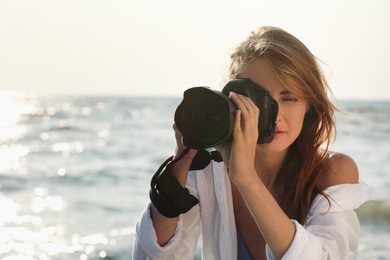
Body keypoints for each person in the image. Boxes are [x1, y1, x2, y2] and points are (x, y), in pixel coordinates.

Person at [132, 26, 379, 259]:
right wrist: (177, 172)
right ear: (233, 99)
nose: (275, 115)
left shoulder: (331, 171)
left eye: (289, 98)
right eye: (260, 99)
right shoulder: (210, 170)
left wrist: (247, 179)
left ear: (309, 106)